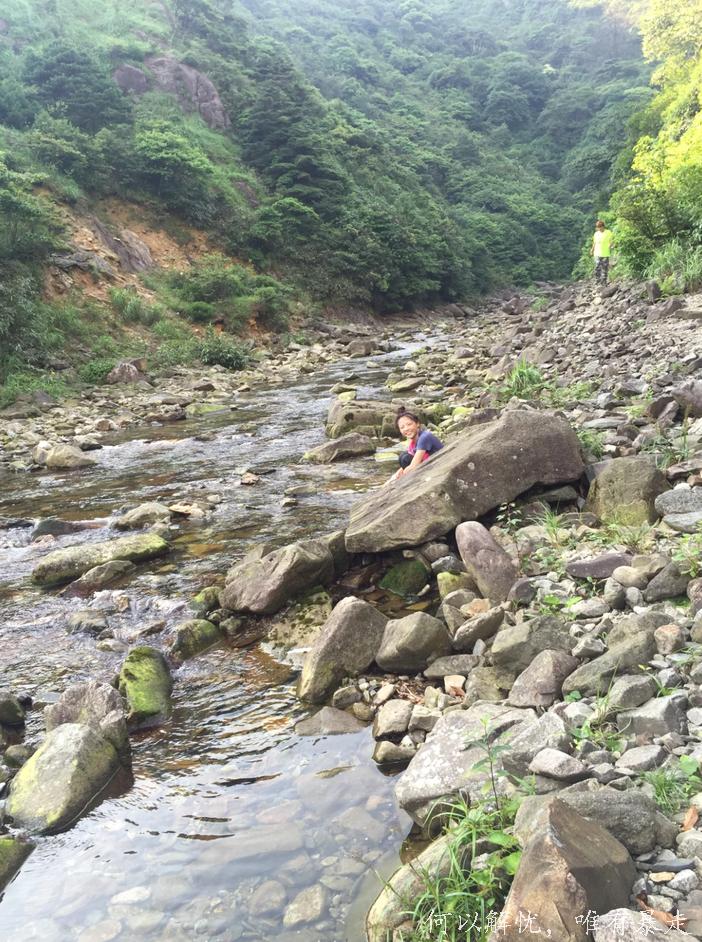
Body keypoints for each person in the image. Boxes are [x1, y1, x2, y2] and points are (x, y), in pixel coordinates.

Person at [394, 407, 443, 479]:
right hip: (429, 465)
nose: (406, 429)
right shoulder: (413, 442)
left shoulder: (425, 437)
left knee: (405, 458)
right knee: (403, 456)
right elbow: (410, 460)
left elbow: (413, 465)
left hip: (439, 467)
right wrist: (394, 477)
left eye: (409, 424)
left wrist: (399, 479)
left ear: (417, 424)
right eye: (402, 427)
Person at [590, 219, 614, 285]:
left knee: (605, 268)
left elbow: (611, 240)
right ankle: (597, 280)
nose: (599, 229)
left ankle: (604, 281)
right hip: (597, 253)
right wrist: (592, 249)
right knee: (597, 266)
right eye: (598, 227)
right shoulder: (596, 234)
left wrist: (611, 245)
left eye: (600, 227)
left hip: (605, 253)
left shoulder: (608, 232)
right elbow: (594, 242)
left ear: (603, 226)